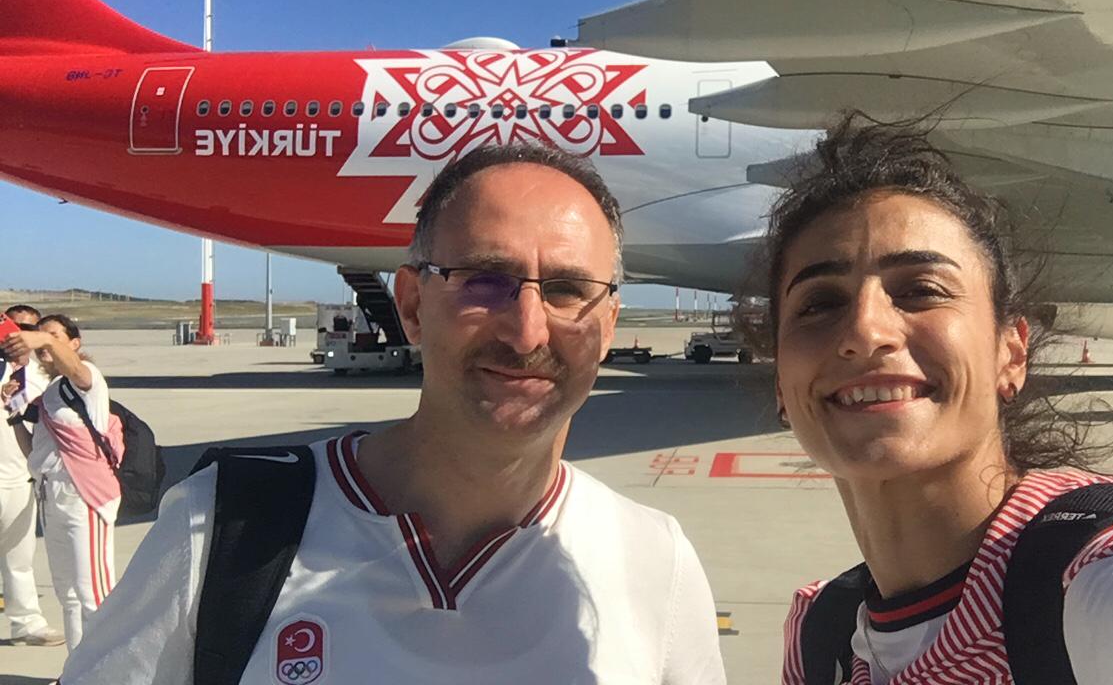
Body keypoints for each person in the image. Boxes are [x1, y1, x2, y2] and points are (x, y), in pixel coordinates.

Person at [58, 142, 726, 684]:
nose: (527, 331)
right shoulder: (224, 526)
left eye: (567, 290)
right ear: (411, 305)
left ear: (607, 325)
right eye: (484, 281)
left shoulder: (653, 559)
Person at [761, 116, 1113, 685]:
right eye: (818, 304)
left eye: (922, 291)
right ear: (781, 385)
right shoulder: (824, 638)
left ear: (1010, 354)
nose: (865, 331)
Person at [2, 314, 121, 654]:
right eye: (41, 336)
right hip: (51, 494)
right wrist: (14, 414)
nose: (44, 341)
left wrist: (43, 339)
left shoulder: (86, 378)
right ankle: (77, 668)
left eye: (54, 335)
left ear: (74, 343)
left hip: (84, 495)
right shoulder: (50, 393)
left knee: (94, 594)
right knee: (68, 594)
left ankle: (106, 670)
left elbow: (77, 369)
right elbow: (35, 453)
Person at [0, 305, 64, 646]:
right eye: (16, 327)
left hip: (21, 477)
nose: (21, 335)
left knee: (20, 558)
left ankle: (27, 624)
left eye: (30, 329)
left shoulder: (42, 374)